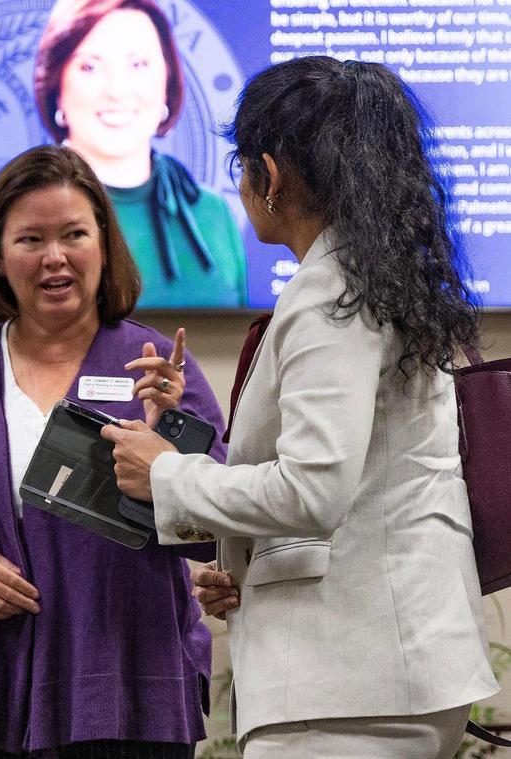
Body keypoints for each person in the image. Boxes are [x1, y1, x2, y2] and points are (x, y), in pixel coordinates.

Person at [101, 57, 499, 757]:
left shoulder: (329, 294)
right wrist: (244, 564)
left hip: (348, 684)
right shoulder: (379, 278)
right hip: (386, 670)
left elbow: (314, 487)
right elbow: (365, 486)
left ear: (271, 174)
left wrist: (164, 472)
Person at [0, 145, 227, 758]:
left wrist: (173, 448)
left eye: (74, 234)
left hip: (122, 692)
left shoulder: (158, 369)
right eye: (30, 239)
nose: (55, 257)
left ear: (104, 246)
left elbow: (223, 530)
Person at [33, 0, 246, 308]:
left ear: (167, 80)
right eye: (90, 67)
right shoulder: (3, 208)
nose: (116, 90)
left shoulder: (212, 212)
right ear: (57, 86)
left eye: (138, 65)